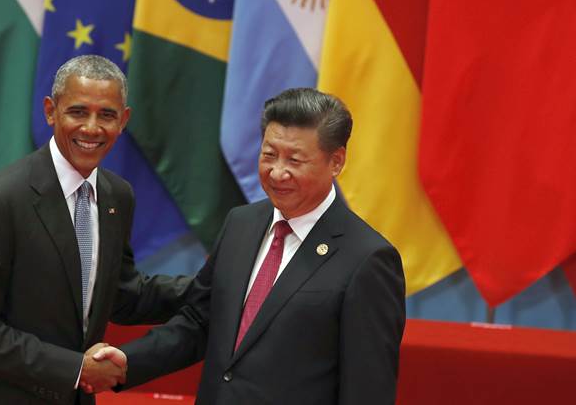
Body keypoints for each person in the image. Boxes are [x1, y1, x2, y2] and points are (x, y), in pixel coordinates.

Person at [91, 88, 406, 404]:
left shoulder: (368, 259)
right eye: (269, 154)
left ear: (336, 161)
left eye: (295, 160)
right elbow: (201, 321)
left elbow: (368, 389)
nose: (277, 172)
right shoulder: (241, 224)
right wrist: (126, 363)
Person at [0, 55, 192, 405]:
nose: (92, 128)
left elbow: (119, 294)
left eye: (107, 115)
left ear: (124, 120)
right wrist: (76, 369)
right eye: (77, 112)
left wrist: (215, 287)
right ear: (50, 111)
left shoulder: (117, 196)